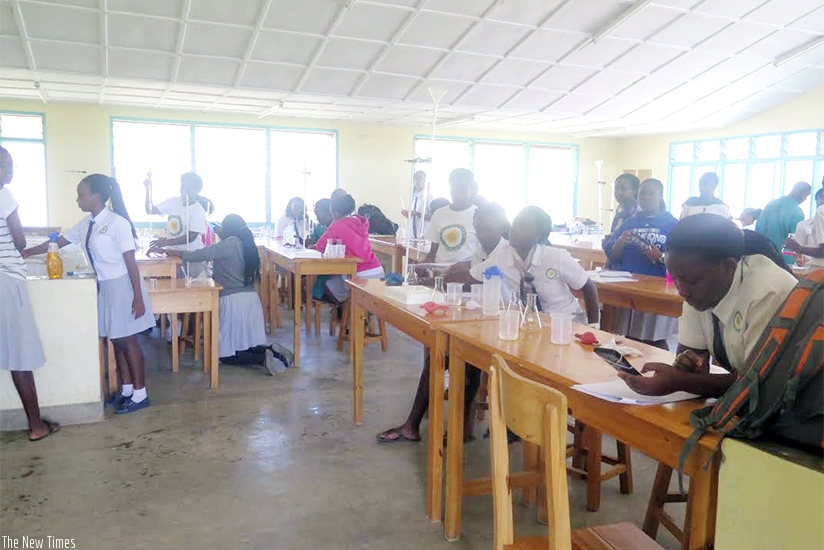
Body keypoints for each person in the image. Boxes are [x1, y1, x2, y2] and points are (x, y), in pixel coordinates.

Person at [376, 203, 512, 444]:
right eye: (478, 228)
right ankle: (418, 425)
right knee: (440, 355)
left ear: (501, 227)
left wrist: (435, 280)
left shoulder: (504, 251)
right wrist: (444, 273)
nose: (481, 233)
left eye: (487, 228)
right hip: (483, 318)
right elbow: (468, 271)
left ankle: (457, 427)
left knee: (463, 360)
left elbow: (469, 278)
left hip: (506, 324)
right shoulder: (483, 248)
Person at [619, 214, 799, 397]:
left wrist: (681, 381)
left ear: (730, 266)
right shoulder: (696, 286)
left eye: (691, 280)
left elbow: (758, 382)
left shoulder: (768, 291)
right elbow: (690, 357)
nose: (682, 291)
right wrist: (687, 366)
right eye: (676, 279)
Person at [25, 174, 154, 414]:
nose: (77, 199)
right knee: (116, 340)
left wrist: (137, 297)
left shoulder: (117, 223)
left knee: (128, 340)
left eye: (81, 194)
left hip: (122, 286)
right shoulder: (86, 224)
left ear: (96, 196)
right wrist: (25, 252)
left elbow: (130, 263)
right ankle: (126, 390)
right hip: (105, 287)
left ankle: (140, 394)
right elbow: (57, 242)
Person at [155, 214, 291, 375]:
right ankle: (271, 350)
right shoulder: (247, 244)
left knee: (225, 355)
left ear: (227, 229)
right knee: (245, 342)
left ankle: (261, 357)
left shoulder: (229, 244)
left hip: (232, 301)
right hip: (251, 301)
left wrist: (170, 251)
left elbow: (198, 255)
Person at [0, 146, 59, 441]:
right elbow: (19, 239)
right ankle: (37, 426)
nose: (9, 171)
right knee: (21, 356)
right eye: (4, 165)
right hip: (8, 281)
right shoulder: (5, 195)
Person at [472, 206, 601, 326]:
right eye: (515, 223)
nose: (514, 228)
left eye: (522, 226)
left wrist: (594, 327)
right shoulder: (502, 255)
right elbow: (474, 275)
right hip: (531, 323)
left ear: (539, 236)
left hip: (567, 321)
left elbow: (588, 287)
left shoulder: (556, 257)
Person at [603, 178, 679, 349]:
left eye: (650, 193)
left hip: (657, 288)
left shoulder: (672, 224)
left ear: (660, 195)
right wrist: (620, 242)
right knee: (630, 337)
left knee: (653, 339)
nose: (645, 197)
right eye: (642, 194)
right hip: (629, 287)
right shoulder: (630, 222)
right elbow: (613, 256)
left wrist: (660, 256)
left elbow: (683, 259)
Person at [313, 193, 384, 303]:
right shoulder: (360, 222)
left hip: (360, 275)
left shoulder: (338, 225)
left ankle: (348, 313)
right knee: (340, 282)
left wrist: (312, 247)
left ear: (335, 213)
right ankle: (357, 313)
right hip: (377, 271)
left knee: (328, 285)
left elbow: (320, 247)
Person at [144, 171, 208, 275]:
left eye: (188, 189)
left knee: (192, 288)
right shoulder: (173, 202)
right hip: (173, 256)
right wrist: (148, 190)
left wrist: (167, 242)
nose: (184, 191)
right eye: (182, 187)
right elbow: (150, 210)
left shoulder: (198, 210)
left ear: (197, 190)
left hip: (192, 257)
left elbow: (191, 237)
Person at [423, 168, 479, 265]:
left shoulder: (478, 215)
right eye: (454, 189)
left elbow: (483, 255)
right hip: (440, 275)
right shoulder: (439, 214)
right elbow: (433, 251)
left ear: (472, 189)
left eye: (463, 190)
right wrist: (423, 266)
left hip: (467, 275)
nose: (458, 195)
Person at [755, 181, 812, 250]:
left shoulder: (771, 204)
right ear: (802, 195)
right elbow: (795, 239)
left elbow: (759, 227)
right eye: (806, 196)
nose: (805, 199)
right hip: (783, 255)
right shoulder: (797, 212)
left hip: (764, 251)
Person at [784, 187, 824, 267]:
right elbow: (797, 256)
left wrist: (799, 248)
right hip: (809, 269)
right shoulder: (803, 225)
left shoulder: (821, 211)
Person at [401, 170, 433, 239]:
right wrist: (409, 215)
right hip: (413, 238)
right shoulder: (416, 198)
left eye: (420, 178)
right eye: (415, 179)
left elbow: (433, 217)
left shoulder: (429, 197)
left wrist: (416, 214)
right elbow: (415, 218)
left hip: (424, 238)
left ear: (426, 181)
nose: (417, 181)